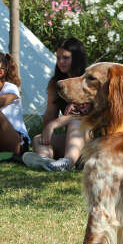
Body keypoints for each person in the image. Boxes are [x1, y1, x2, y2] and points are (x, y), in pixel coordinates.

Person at [23, 38, 88, 171]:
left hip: (90, 139)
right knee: (38, 139)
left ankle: (68, 162)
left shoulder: (88, 80)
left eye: (65, 58)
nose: (60, 62)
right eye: (58, 58)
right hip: (71, 141)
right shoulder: (55, 83)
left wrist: (57, 123)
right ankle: (46, 162)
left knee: (75, 123)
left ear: (77, 58)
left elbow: (91, 117)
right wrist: (47, 130)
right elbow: (49, 115)